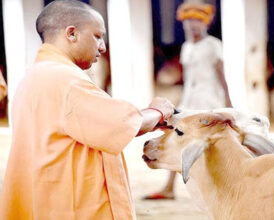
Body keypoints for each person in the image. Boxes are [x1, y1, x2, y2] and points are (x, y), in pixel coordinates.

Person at [0, 1, 174, 219]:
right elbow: (122, 123)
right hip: (75, 207)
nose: (102, 46)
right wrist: (158, 110)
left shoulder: (33, 76)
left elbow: (99, 118)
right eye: (97, 36)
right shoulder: (65, 80)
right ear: (71, 34)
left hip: (47, 201)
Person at [144, 2, 231, 200]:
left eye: (198, 21)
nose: (193, 25)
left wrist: (228, 104)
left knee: (211, 146)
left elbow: (222, 77)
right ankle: (168, 187)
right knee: (178, 140)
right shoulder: (186, 47)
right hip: (190, 101)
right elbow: (188, 79)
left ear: (206, 24)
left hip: (209, 100)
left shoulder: (214, 45)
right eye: (189, 21)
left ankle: (220, 187)